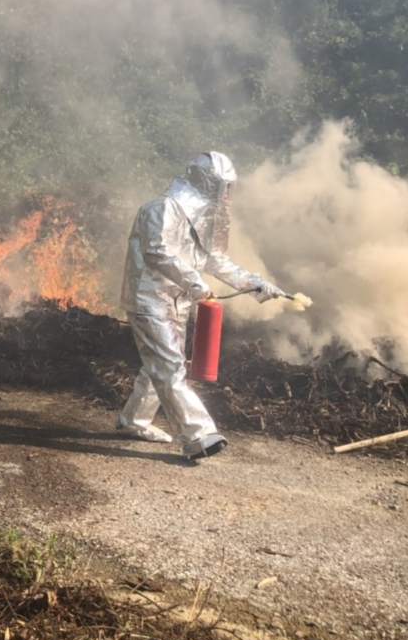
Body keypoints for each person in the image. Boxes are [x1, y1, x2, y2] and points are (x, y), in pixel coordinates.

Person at [118, 151, 287, 461]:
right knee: (168, 366)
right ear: (207, 182)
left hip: (177, 300)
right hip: (149, 298)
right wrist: (195, 283)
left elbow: (215, 259)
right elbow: (158, 253)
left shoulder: (210, 213)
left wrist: (253, 283)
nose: (227, 195)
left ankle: (134, 420)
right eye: (224, 187)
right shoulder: (162, 208)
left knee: (163, 364)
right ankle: (198, 435)